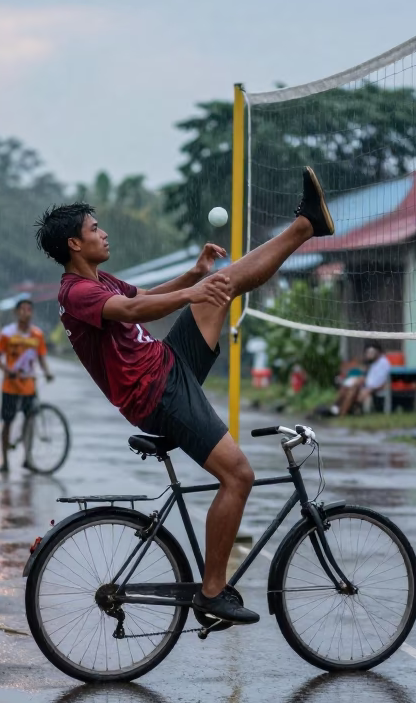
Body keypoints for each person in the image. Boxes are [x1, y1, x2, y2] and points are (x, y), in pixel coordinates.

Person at [37, 166, 334, 625]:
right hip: (158, 392)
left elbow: (148, 295)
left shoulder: (101, 279)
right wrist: (194, 290)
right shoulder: (77, 291)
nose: (104, 233)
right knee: (238, 476)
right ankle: (212, 592)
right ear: (74, 244)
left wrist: (194, 276)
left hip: (166, 365)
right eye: (95, 229)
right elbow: (136, 310)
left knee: (222, 285)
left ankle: (306, 225)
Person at [0, 295, 53, 473]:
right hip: (10, 386)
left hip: (29, 386)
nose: (25, 313)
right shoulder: (7, 334)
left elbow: (41, 357)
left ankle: (27, 458)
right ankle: (5, 460)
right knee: (7, 422)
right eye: (22, 309)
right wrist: (7, 370)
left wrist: (47, 371)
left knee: (30, 421)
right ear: (15, 313)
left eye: (29, 309)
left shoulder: (37, 334)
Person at [326, 343, 391, 416]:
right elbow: (368, 377)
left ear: (377, 352)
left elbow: (382, 382)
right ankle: (336, 409)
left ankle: (341, 413)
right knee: (346, 388)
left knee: (352, 389)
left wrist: (369, 389)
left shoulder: (383, 363)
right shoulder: (374, 364)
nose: (368, 354)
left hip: (372, 389)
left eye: (371, 352)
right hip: (366, 386)